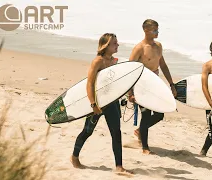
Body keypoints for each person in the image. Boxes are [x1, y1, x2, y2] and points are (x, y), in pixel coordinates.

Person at [70, 33, 133, 175]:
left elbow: (115, 84)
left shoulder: (115, 61)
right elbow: (90, 83)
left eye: (117, 43)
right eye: (114, 43)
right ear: (106, 46)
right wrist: (93, 104)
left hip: (111, 103)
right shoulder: (97, 61)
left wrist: (128, 94)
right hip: (97, 103)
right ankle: (74, 157)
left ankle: (119, 166)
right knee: (88, 131)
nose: (117, 45)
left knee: (116, 133)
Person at [127, 19, 177, 155]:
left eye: (157, 29)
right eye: (155, 30)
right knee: (146, 114)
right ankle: (145, 147)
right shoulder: (139, 48)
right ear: (146, 30)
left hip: (155, 84)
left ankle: (139, 132)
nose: (157, 32)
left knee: (159, 114)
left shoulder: (158, 46)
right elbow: (129, 70)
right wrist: (129, 93)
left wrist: (171, 84)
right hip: (141, 85)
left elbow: (163, 65)